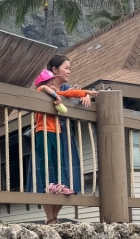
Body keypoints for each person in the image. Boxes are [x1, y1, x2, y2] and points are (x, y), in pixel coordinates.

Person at [28, 53, 96, 224]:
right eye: (66, 68)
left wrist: (85, 95)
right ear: (54, 70)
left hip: (63, 135)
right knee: (47, 176)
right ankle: (50, 218)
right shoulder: (43, 89)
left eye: (70, 68)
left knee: (67, 179)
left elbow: (75, 94)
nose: (69, 71)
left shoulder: (66, 89)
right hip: (45, 133)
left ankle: (54, 217)